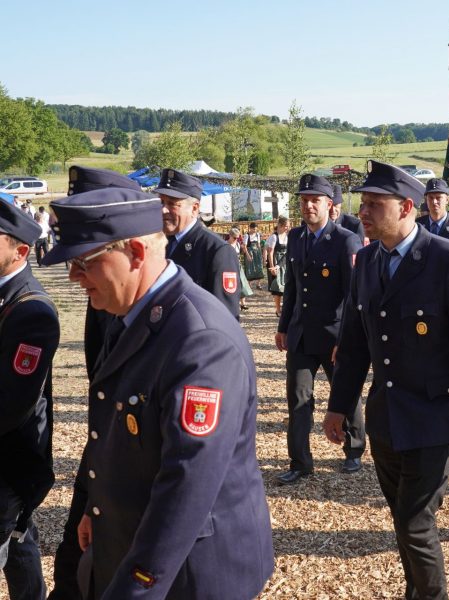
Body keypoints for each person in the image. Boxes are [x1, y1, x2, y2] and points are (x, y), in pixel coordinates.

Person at [42, 188, 274, 599]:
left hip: (189, 573)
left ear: (135, 252)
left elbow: (187, 486)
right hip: (132, 539)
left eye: (83, 262)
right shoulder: (131, 315)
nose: (74, 277)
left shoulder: (200, 340)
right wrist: (99, 508)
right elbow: (113, 430)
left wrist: (137, 588)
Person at [323, 160, 449, 600]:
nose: (363, 212)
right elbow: (354, 344)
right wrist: (338, 406)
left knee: (414, 522)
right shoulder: (367, 261)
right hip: (387, 418)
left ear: (406, 207)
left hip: (436, 417)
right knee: (403, 520)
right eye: (362, 203)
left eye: (374, 204)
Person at [49, 166, 148, 600]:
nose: (76, 274)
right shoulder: (106, 283)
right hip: (104, 442)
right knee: (74, 566)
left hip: (133, 452)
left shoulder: (144, 292)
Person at [275, 174, 365, 484]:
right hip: (301, 334)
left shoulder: (345, 240)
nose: (308, 206)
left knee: (345, 392)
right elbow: (292, 287)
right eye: (304, 200)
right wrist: (283, 326)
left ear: (329, 204)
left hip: (333, 335)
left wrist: (346, 339)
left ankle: (354, 449)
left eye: (315, 200)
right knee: (298, 398)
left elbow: (353, 295)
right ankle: (300, 461)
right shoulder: (296, 237)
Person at [0, 200, 60, 599]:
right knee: (19, 540)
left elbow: (12, 404)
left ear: (20, 251)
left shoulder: (31, 310)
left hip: (10, 457)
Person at [155, 169, 241, 319]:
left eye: (172, 203)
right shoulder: (158, 243)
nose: (163, 210)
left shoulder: (217, 251)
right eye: (161, 202)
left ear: (194, 208)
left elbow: (226, 317)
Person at [266, 216, 290, 317]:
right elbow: (270, 253)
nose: (288, 228)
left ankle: (285, 308)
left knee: (286, 286)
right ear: (280, 225)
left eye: (288, 226)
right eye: (286, 226)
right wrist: (272, 267)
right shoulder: (274, 237)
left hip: (285, 263)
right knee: (277, 287)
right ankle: (278, 309)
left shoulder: (287, 237)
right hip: (276, 262)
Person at [227, 227, 253, 312]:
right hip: (229, 267)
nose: (236, 239)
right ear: (230, 236)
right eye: (234, 238)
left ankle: (243, 303)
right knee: (232, 285)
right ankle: (234, 304)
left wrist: (248, 256)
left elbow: (244, 250)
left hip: (238, 266)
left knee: (242, 283)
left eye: (237, 238)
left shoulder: (238, 244)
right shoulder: (225, 245)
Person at [243, 222, 265, 289]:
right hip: (250, 252)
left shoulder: (257, 234)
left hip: (257, 252)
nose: (255, 230)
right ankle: (249, 285)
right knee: (250, 268)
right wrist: (248, 255)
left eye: (256, 229)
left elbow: (258, 245)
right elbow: (244, 246)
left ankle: (258, 284)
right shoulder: (247, 235)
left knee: (259, 266)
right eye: (254, 229)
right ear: (250, 228)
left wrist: (261, 254)